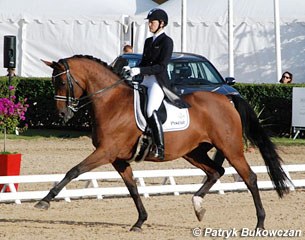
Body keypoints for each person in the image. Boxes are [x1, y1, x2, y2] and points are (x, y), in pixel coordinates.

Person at [124, 8, 189, 160]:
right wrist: (131, 68)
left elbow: (161, 66)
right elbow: (144, 61)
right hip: (145, 79)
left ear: (161, 24)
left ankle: (160, 147)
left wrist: (139, 70)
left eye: (152, 22)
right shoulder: (148, 41)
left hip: (157, 81)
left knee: (149, 110)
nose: (149, 25)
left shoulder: (167, 41)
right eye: (149, 22)